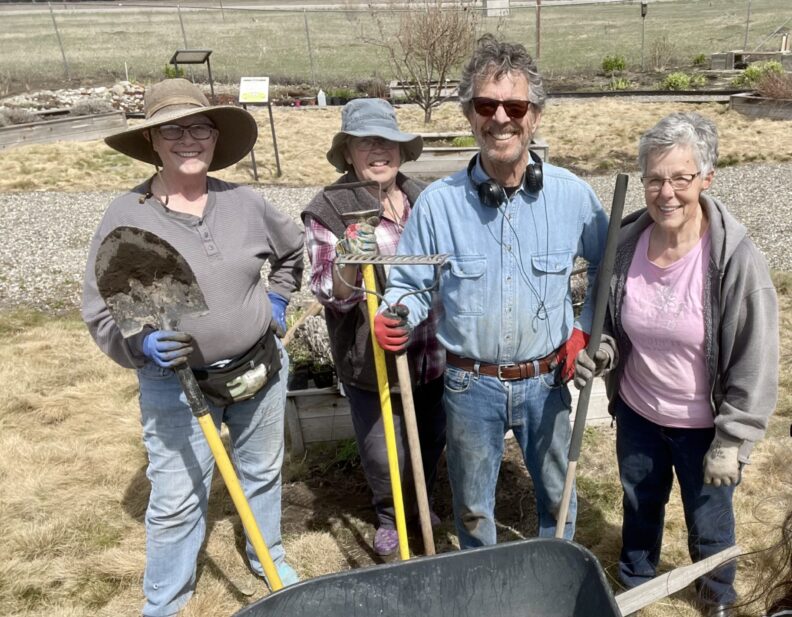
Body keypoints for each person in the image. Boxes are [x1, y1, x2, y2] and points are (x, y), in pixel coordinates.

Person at [375, 34, 609, 548]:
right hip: (469, 385)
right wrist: (396, 312)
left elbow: (607, 268)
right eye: (486, 105)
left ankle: (553, 572)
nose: (501, 117)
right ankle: (481, 577)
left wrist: (583, 328)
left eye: (515, 106)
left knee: (558, 500)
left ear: (535, 116)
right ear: (469, 114)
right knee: (473, 510)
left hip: (546, 381)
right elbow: (410, 285)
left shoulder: (574, 197)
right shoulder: (438, 205)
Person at [81, 78, 304, 616]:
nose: (188, 140)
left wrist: (277, 302)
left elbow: (293, 252)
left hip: (260, 368)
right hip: (175, 385)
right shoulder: (127, 217)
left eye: (200, 128)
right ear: (151, 141)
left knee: (261, 472)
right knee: (178, 496)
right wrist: (140, 344)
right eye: (172, 130)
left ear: (216, 136)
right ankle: (166, 599)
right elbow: (101, 309)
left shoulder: (245, 203)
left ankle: (267, 555)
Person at [574, 112, 779, 617]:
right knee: (639, 504)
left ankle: (716, 595)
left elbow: (755, 359)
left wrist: (733, 440)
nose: (666, 193)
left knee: (709, 521)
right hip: (639, 413)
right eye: (654, 179)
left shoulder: (734, 260)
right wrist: (602, 351)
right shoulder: (626, 244)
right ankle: (635, 581)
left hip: (705, 426)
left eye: (681, 178)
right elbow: (610, 323)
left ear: (706, 178)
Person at [301, 98, 446, 556]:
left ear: (401, 150)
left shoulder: (426, 197)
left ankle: (424, 502)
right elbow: (332, 292)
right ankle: (389, 514)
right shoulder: (331, 207)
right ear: (348, 152)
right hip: (371, 360)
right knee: (385, 452)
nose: (378, 150)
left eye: (387, 141)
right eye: (366, 142)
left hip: (433, 354)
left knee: (431, 438)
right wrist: (349, 257)